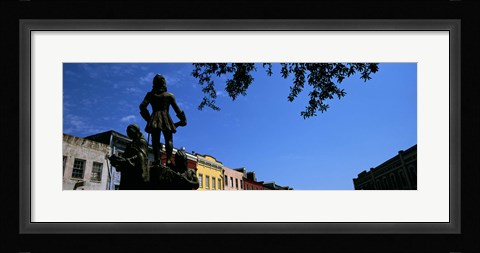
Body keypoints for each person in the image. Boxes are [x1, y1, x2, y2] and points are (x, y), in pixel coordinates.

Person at [139, 74, 187, 166]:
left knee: (155, 140)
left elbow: (142, 106)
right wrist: (183, 119)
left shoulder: (150, 95)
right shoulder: (169, 95)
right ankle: (168, 159)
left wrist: (148, 119)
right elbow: (177, 109)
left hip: (154, 118)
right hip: (166, 118)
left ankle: (157, 159)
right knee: (168, 139)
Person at [108, 124, 149, 190]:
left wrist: (128, 160)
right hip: (127, 174)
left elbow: (141, 156)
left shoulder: (141, 142)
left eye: (129, 131)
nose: (127, 133)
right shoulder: (130, 144)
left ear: (135, 131)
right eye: (127, 131)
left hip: (135, 175)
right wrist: (118, 160)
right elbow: (125, 157)